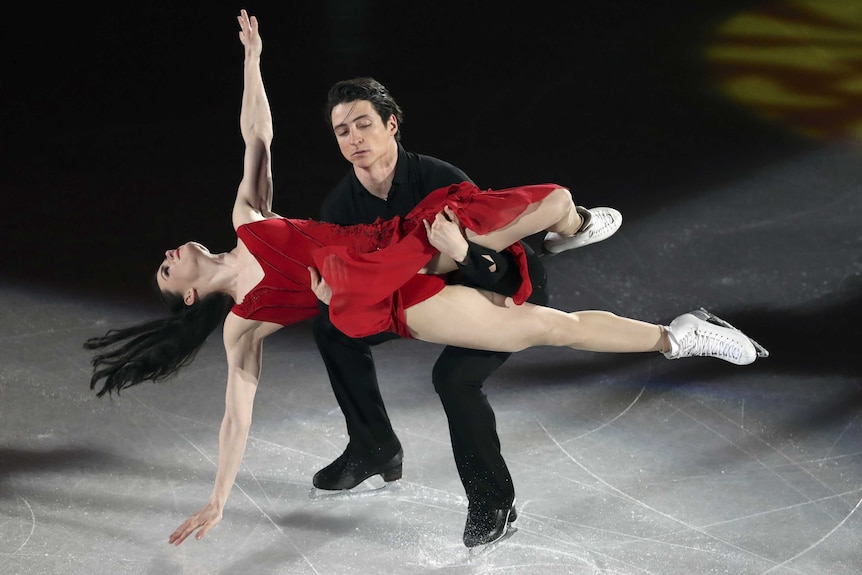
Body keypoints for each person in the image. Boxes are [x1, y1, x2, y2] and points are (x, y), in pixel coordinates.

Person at [84, 10, 766, 548]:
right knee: (534, 329)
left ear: (389, 126)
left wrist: (253, 60)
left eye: (360, 125)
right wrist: (219, 498)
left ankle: (604, 264)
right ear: (191, 296)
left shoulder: (248, 217)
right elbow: (237, 416)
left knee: (546, 225)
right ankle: (676, 332)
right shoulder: (242, 324)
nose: (167, 255)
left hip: (388, 251)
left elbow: (255, 135)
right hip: (387, 304)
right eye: (164, 272)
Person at [311, 74, 621, 547]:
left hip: (502, 281)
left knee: (454, 378)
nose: (355, 139)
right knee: (331, 328)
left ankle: (492, 501)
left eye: (364, 125)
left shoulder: (442, 180)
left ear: (391, 124)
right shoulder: (340, 208)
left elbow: (494, 264)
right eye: (343, 131)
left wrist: (457, 255)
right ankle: (373, 447)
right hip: (434, 299)